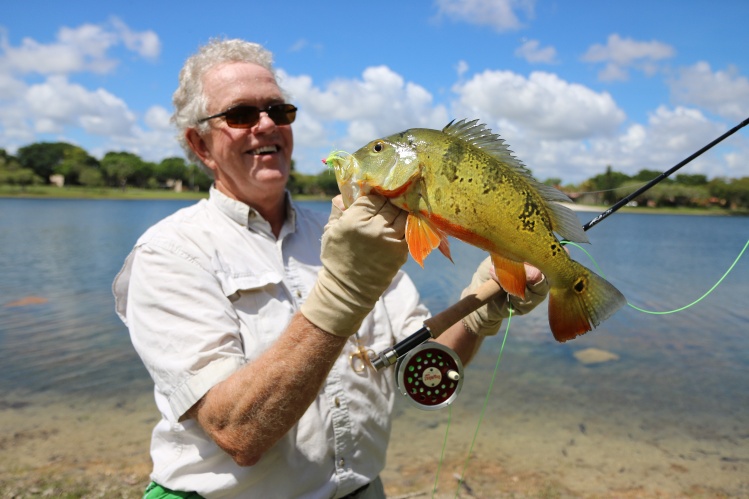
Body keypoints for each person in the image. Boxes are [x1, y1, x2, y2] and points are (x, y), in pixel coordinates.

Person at [113, 38, 549, 499]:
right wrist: (343, 294)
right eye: (241, 114)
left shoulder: (348, 232)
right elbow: (236, 431)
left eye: (279, 112)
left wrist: (479, 310)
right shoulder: (170, 252)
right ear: (199, 144)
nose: (266, 125)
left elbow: (417, 362)